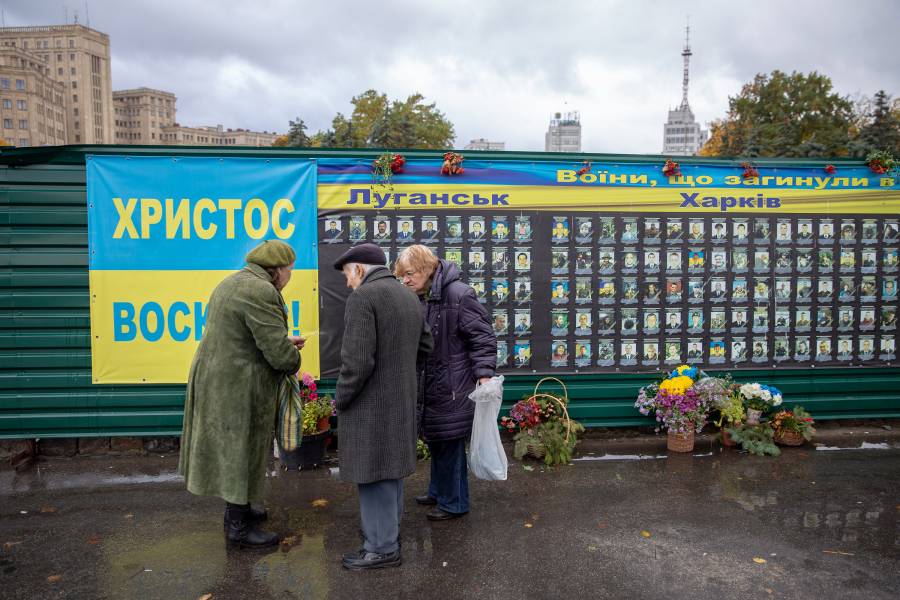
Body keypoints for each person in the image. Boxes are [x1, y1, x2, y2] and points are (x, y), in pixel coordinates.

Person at [179, 240, 305, 549]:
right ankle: (237, 528)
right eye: (290, 270)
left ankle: (244, 508)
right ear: (276, 270)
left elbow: (247, 333)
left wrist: (281, 341)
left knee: (240, 446)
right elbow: (279, 356)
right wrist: (291, 354)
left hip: (221, 377)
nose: (290, 276)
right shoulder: (261, 291)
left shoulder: (233, 282)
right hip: (236, 384)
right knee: (240, 448)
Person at [333, 243, 433, 570]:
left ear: (359, 269)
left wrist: (341, 399)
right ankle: (388, 535)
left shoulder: (364, 298)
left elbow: (357, 362)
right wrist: (399, 373)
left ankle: (381, 548)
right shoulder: (408, 295)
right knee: (390, 472)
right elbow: (426, 346)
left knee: (374, 473)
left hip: (370, 407)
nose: (349, 283)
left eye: (349, 275)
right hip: (400, 400)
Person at [395, 245, 496, 522]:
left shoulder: (460, 294)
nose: (405, 280)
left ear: (428, 269)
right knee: (438, 440)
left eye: (410, 274)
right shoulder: (422, 296)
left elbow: (483, 337)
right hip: (432, 383)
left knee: (450, 443)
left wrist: (484, 374)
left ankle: (454, 503)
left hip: (454, 385)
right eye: (402, 276)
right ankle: (439, 492)